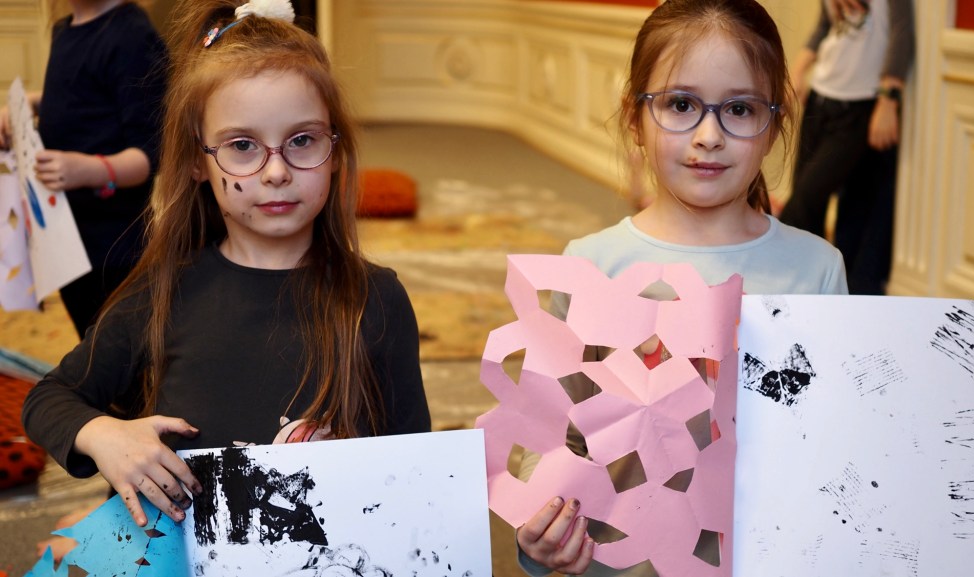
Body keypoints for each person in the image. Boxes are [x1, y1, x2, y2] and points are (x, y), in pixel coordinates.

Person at [21, 0, 431, 539]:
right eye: (242, 146)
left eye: (302, 139)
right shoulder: (164, 290)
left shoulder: (376, 299)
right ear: (197, 160)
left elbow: (417, 477)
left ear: (335, 149)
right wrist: (105, 436)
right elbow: (48, 398)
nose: (277, 171)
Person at [515, 0, 849, 574]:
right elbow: (546, 436)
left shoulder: (816, 269)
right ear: (635, 117)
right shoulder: (590, 266)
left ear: (774, 124)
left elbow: (843, 437)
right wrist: (537, 533)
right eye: (681, 105)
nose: (709, 136)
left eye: (739, 109)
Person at [0, 0, 169, 338]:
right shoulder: (64, 31)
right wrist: (32, 102)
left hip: (114, 247)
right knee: (88, 336)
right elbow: (83, 97)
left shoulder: (133, 36)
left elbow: (150, 156)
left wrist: (89, 169)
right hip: (64, 235)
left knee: (119, 347)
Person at [778, 0, 914, 295]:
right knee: (808, 205)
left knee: (804, 200)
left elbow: (902, 33)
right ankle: (806, 292)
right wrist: (797, 72)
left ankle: (771, 278)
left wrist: (889, 101)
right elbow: (825, 28)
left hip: (860, 107)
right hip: (820, 99)